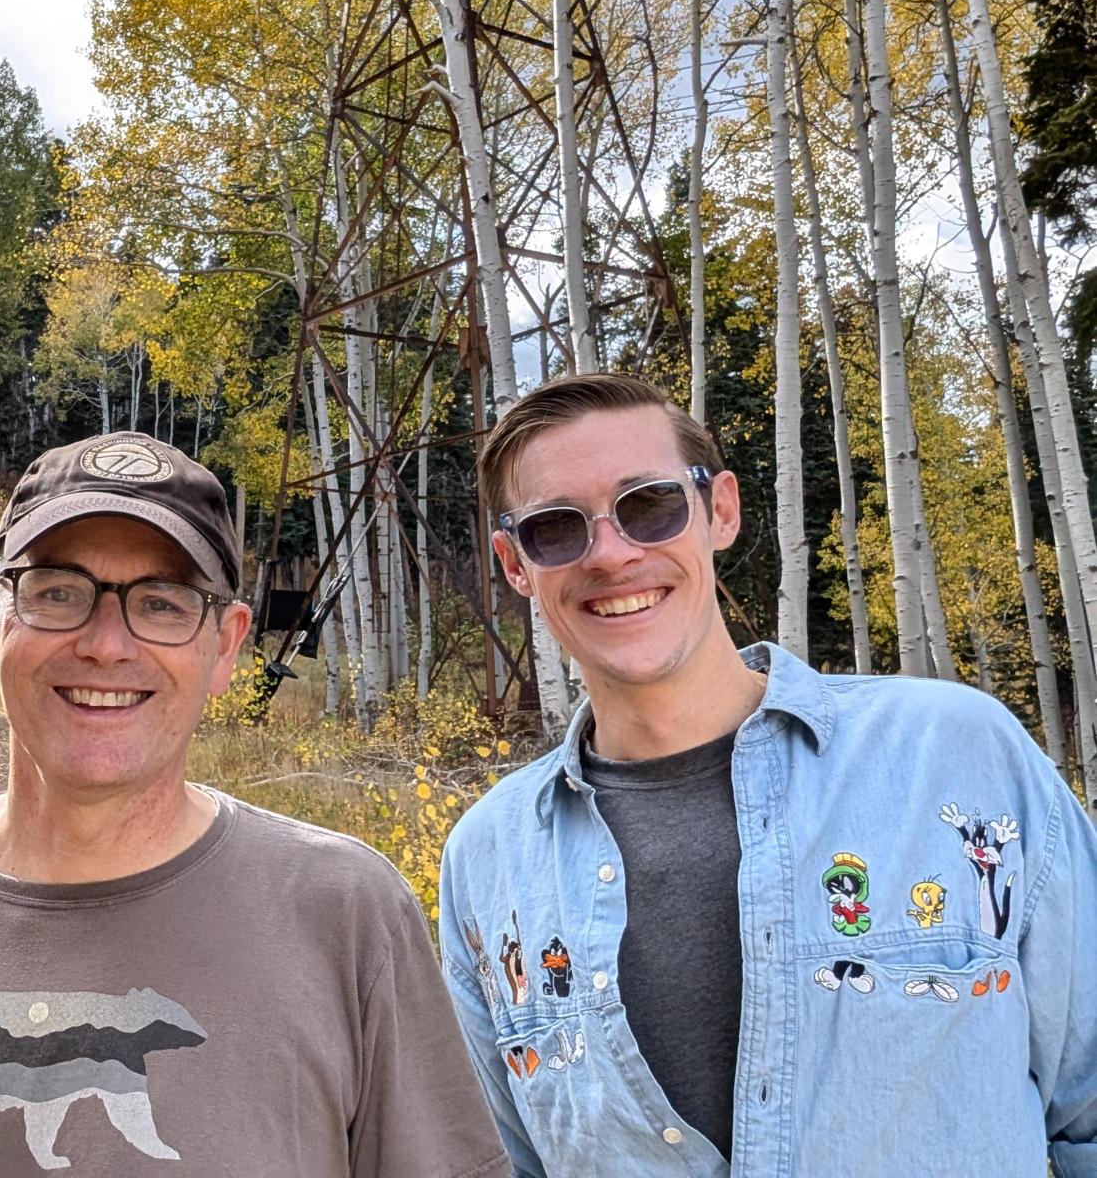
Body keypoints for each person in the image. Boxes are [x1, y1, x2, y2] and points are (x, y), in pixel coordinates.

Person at [0, 431, 510, 1178]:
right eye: (59, 592)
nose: (107, 643)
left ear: (226, 647)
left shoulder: (345, 915)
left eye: (165, 603)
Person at [438, 371, 1097, 1175]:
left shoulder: (958, 758)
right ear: (514, 563)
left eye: (648, 504)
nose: (611, 553)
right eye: (556, 528)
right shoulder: (488, 862)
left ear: (720, 510)